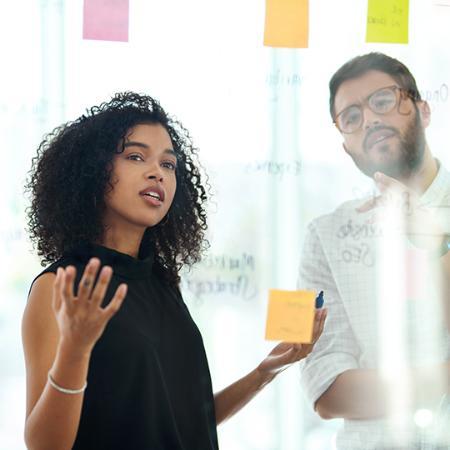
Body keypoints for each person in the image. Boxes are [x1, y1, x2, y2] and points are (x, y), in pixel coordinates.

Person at [22, 92, 326, 450]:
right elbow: (43, 444)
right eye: (136, 157)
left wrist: (265, 372)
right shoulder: (57, 286)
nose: (157, 173)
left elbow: (184, 423)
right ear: (90, 171)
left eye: (168, 165)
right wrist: (75, 350)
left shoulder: (163, 284)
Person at [298, 53, 450, 449]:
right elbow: (327, 392)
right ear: (346, 147)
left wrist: (434, 243)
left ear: (423, 110)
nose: (369, 119)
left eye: (383, 101)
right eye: (351, 116)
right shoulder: (324, 237)